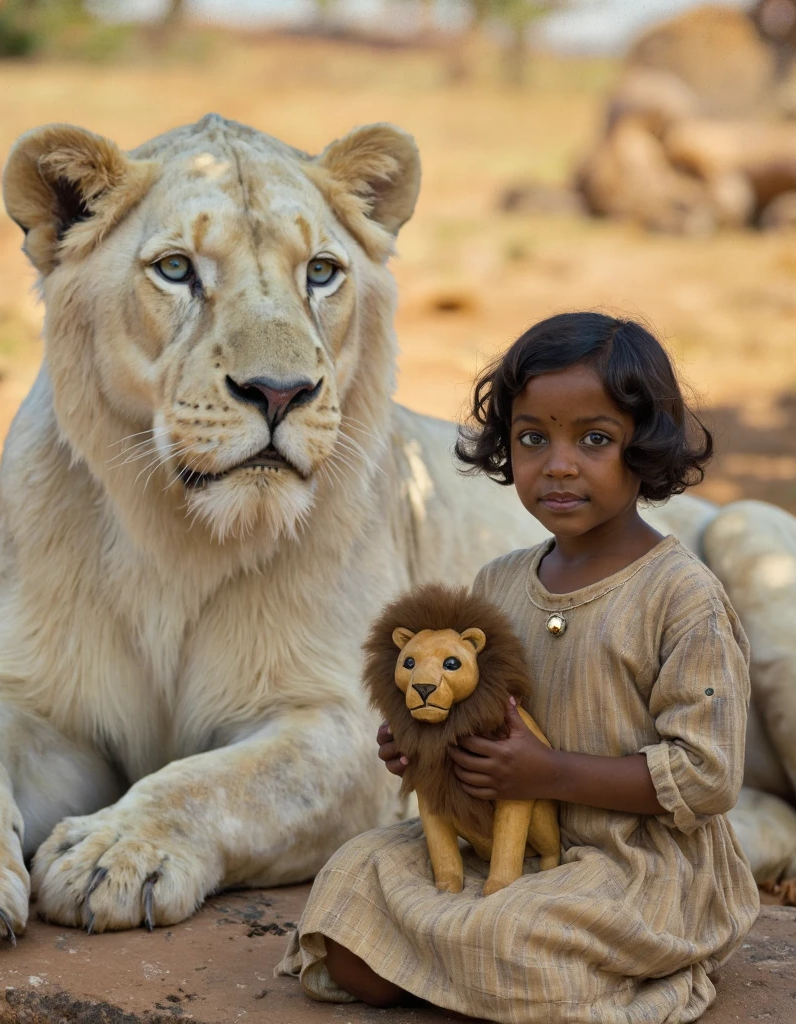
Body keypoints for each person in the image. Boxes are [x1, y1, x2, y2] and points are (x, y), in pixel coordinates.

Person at [276, 312, 760, 1023]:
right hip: (489, 839)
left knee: (515, 932)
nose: (558, 464)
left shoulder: (680, 597)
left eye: (595, 439)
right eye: (533, 438)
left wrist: (549, 773)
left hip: (629, 863)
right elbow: (467, 707)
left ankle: (483, 961)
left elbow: (708, 775)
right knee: (353, 876)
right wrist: (423, 746)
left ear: (646, 448)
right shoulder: (498, 583)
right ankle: (473, 967)